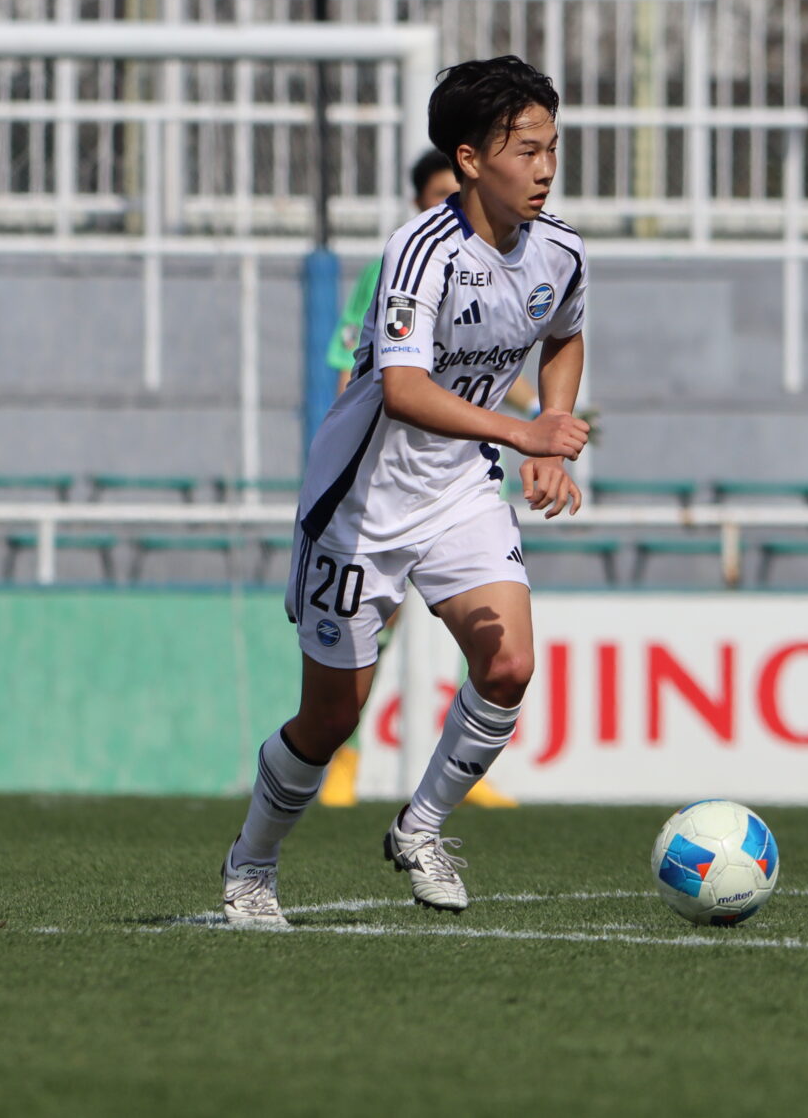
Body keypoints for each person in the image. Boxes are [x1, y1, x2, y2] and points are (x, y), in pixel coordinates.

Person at [221, 55, 588, 927]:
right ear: (470, 159)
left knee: (509, 664)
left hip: (460, 490)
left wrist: (554, 429)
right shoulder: (421, 249)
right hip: (362, 506)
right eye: (526, 150)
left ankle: (420, 827)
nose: (544, 167)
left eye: (552, 147)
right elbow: (403, 389)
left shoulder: (562, 249)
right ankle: (251, 865)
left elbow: (565, 333)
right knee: (330, 719)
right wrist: (525, 433)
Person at [315, 147, 519, 812]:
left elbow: (491, 364)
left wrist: (549, 418)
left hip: (463, 478)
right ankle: (345, 759)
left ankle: (464, 769)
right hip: (389, 484)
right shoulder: (395, 264)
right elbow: (354, 363)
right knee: (376, 629)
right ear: (417, 202)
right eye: (436, 196)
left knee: (488, 630)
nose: (448, 206)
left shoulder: (500, 263)